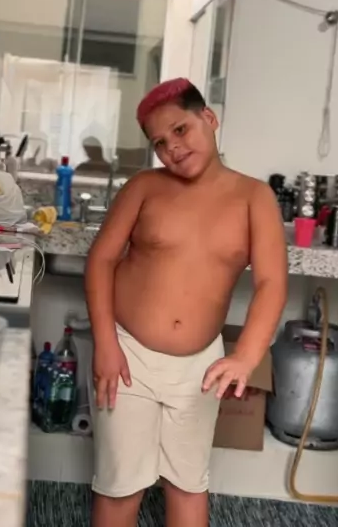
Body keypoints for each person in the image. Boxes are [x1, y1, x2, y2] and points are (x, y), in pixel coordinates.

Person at [85, 77, 288, 527]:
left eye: (180, 130)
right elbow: (101, 260)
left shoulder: (255, 197)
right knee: (121, 486)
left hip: (201, 366)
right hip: (128, 355)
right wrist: (105, 344)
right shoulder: (144, 186)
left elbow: (272, 282)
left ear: (209, 118)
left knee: (188, 483)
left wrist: (245, 357)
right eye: (160, 142)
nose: (172, 147)